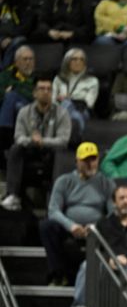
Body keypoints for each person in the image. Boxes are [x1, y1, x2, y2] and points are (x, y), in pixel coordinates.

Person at [40, 142, 115, 286]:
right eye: (85, 160)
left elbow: (112, 212)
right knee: (46, 226)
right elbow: (53, 210)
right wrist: (71, 226)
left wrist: (95, 227)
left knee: (113, 225)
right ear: (77, 161)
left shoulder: (106, 183)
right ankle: (58, 275)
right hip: (70, 228)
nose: (89, 164)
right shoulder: (64, 181)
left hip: (97, 230)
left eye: (93, 159)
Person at [73, 185, 127, 306]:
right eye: (122, 198)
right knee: (86, 266)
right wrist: (109, 259)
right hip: (107, 264)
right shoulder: (103, 223)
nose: (126, 201)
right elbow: (95, 249)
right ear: (114, 202)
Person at [1, 76, 70, 212]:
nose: (46, 92)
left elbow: (63, 140)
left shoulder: (62, 113)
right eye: (42, 89)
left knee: (59, 154)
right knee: (15, 149)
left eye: (49, 89)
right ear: (34, 93)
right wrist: (32, 141)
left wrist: (43, 141)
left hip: (51, 152)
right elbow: (18, 137)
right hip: (30, 150)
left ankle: (55, 200)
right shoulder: (24, 112)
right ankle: (13, 195)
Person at [53, 48, 99, 139]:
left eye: (82, 59)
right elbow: (52, 100)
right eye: (74, 59)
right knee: (67, 108)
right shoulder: (58, 79)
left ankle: (59, 132)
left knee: (69, 106)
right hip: (58, 109)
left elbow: (89, 103)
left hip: (81, 110)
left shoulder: (92, 81)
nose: (78, 62)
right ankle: (76, 136)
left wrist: (67, 99)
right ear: (67, 61)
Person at [0, 45, 34, 131]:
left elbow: (34, 96)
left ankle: (3, 133)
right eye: (25, 59)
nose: (28, 62)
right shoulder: (6, 75)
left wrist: (14, 87)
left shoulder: (38, 77)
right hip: (14, 106)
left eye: (31, 59)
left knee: (12, 96)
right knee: (16, 105)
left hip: (32, 107)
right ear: (17, 62)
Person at [0, 0, 33, 68]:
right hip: (1, 36)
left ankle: (4, 71)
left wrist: (10, 37)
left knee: (16, 43)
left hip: (17, 36)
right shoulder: (1, 3)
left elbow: (27, 25)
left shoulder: (22, 1)